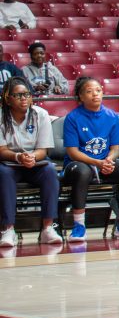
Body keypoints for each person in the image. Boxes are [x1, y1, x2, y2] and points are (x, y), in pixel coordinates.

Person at [62, 77, 119, 242]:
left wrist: (108, 160)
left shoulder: (112, 116)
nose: (95, 94)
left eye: (98, 90)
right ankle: (79, 226)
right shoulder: (72, 118)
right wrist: (97, 163)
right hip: (78, 164)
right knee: (83, 172)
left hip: (103, 163)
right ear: (80, 96)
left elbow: (115, 149)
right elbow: (72, 152)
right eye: (89, 91)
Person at [0, 77, 61, 247]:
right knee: (3, 173)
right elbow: (2, 150)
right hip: (9, 162)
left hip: (35, 161)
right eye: (18, 95)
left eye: (27, 94)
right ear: (8, 98)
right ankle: (8, 229)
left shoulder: (40, 114)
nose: (24, 98)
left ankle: (48, 228)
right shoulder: (1, 116)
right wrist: (18, 157)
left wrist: (32, 157)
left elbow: (44, 149)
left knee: (49, 170)